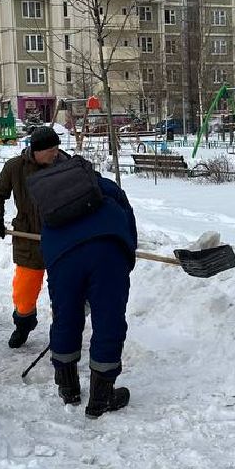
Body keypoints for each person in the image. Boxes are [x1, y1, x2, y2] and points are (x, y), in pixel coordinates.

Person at [30, 156, 137, 417]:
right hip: (107, 251)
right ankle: (101, 398)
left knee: (65, 318)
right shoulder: (107, 187)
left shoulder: (52, 194)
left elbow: (45, 233)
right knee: (108, 321)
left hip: (60, 256)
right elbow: (129, 224)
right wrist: (124, 260)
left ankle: (68, 389)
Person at [0, 126, 64, 349]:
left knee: (64, 291)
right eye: (50, 149)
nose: (55, 153)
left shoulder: (66, 165)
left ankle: (63, 332)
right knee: (24, 293)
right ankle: (24, 323)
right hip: (28, 239)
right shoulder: (15, 167)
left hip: (61, 238)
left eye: (57, 148)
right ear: (36, 150)